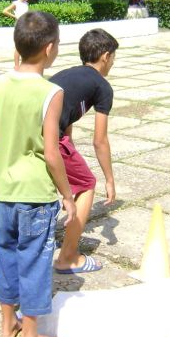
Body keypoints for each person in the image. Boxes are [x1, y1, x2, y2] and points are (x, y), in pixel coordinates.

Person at [0, 11, 76, 337]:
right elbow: (51, 153)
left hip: (4, 192)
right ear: (50, 49)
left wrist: (10, 152)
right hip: (35, 194)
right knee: (34, 261)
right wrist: (68, 195)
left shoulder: (0, 82)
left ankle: (8, 325)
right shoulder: (52, 92)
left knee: (7, 256)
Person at [49, 28, 118, 274]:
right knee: (86, 184)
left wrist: (69, 147)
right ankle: (68, 257)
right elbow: (99, 140)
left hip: (25, 135)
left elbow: (65, 112)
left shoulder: (68, 75)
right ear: (106, 56)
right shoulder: (102, 86)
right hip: (48, 138)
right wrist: (109, 179)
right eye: (113, 58)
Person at [2, 0, 31, 70]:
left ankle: (24, 63)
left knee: (26, 45)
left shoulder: (26, 4)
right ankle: (16, 65)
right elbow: (5, 11)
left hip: (26, 25)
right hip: (19, 25)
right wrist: (16, 17)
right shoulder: (16, 3)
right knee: (18, 46)